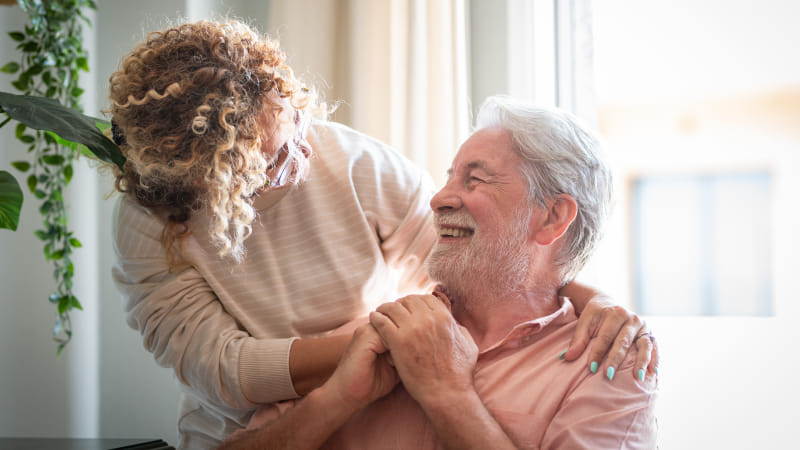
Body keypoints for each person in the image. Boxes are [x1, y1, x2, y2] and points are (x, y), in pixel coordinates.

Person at [108, 20, 656, 448]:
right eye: (274, 160)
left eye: (296, 119)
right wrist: (364, 367)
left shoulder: (349, 161)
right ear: (214, 180)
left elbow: (477, 250)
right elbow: (230, 372)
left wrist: (595, 299)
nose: (304, 150)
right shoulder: (151, 225)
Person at [221, 96, 658, 450]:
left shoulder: (612, 369)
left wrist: (448, 395)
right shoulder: (374, 336)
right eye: (450, 177)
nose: (439, 199)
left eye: (475, 180)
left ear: (553, 218)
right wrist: (337, 400)